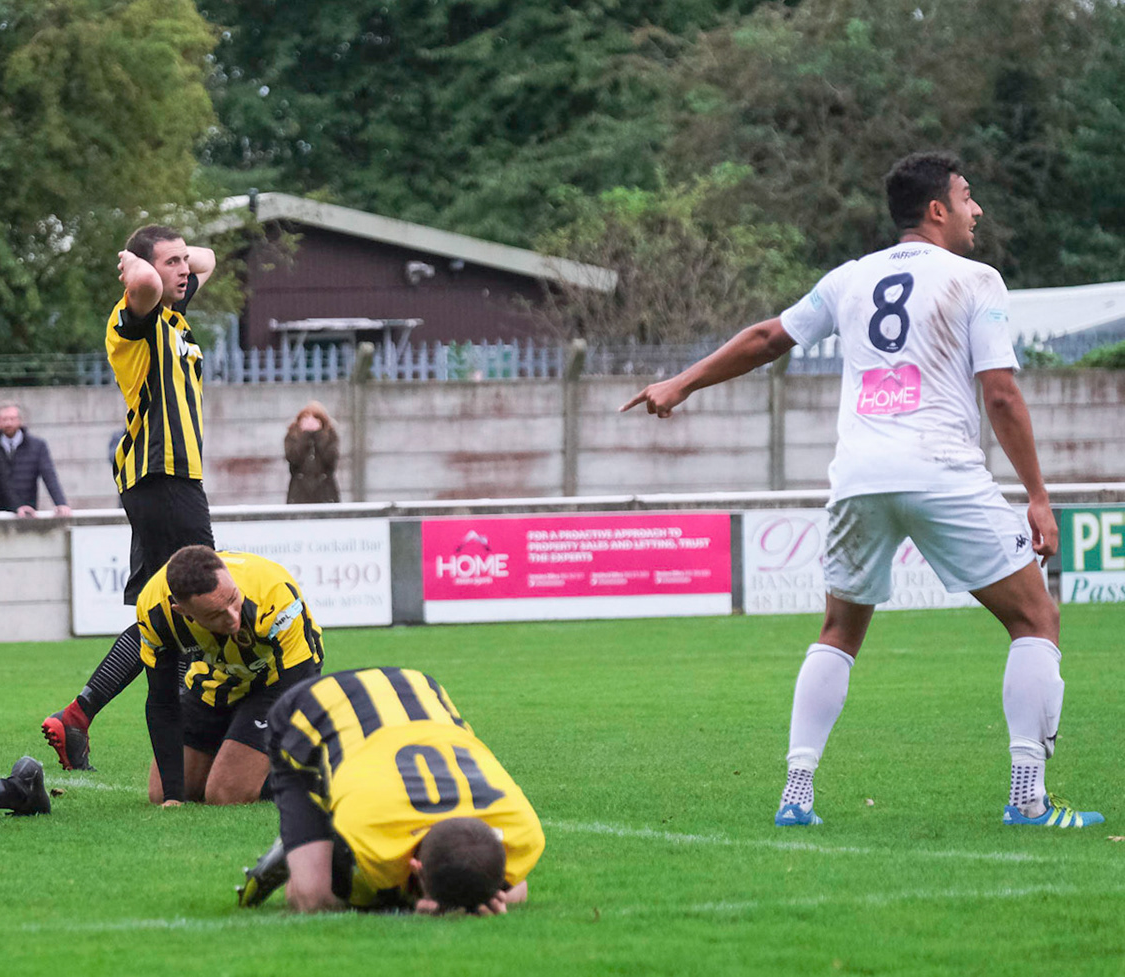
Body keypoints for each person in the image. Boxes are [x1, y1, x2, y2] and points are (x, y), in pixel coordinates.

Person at [623, 151, 1102, 829]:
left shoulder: (849, 279)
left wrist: (680, 382)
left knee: (839, 631)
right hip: (939, 467)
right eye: (968, 197)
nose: (977, 210)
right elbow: (1000, 393)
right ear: (937, 209)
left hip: (858, 475)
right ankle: (1028, 797)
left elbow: (766, 337)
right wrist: (1037, 495)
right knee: (1034, 619)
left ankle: (797, 792)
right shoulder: (976, 279)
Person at [41, 226, 216, 772]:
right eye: (172, 263)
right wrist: (135, 260)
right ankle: (187, 748)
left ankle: (78, 714)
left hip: (167, 483)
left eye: (184, 261)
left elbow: (206, 259)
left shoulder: (174, 320)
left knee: (159, 611)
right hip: (163, 477)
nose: (185, 270)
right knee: (195, 602)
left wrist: (171, 256)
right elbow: (143, 278)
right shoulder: (132, 320)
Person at [238, 667, 544, 915]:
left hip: (418, 689)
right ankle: (297, 847)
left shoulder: (520, 827)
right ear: (413, 865)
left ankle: (305, 848)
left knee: (514, 894)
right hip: (312, 709)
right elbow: (368, 895)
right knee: (316, 897)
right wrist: (415, 907)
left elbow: (507, 886)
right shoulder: (371, 830)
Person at [136, 545, 322, 806]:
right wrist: (173, 796)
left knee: (225, 794)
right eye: (215, 615)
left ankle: (318, 773)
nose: (233, 619)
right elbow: (162, 701)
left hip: (275, 681)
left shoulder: (272, 593)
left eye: (233, 600)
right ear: (183, 612)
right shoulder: (156, 611)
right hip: (216, 678)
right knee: (160, 793)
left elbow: (298, 685)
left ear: (228, 576)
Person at [0, 402, 71, 516]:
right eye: (4, 419)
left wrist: (60, 503)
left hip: (27, 510)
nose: (8, 423)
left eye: (12, 419)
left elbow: (49, 476)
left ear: (20, 420)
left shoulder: (37, 446)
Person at [284, 401, 340, 504]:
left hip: (326, 494)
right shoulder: (292, 436)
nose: (310, 422)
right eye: (305, 418)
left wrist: (318, 435)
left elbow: (330, 460)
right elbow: (293, 458)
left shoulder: (330, 436)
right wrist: (305, 436)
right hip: (299, 494)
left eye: (315, 418)